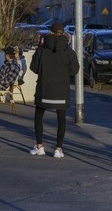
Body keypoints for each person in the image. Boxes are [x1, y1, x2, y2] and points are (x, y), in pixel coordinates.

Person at [29, 22, 79, 158]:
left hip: (44, 88)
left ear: (50, 32)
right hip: (61, 90)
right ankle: (58, 149)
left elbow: (33, 67)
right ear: (63, 33)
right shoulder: (69, 51)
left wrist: (44, 71)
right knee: (61, 119)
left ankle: (39, 146)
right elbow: (75, 70)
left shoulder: (42, 49)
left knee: (38, 117)